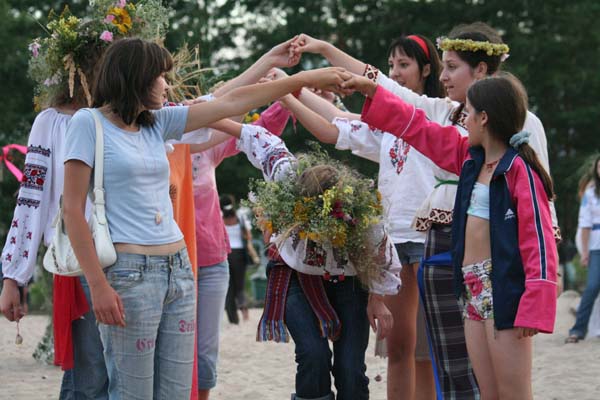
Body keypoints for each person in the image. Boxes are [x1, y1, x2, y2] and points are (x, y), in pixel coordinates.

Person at [62, 37, 348, 398]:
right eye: (160, 76)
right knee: (132, 393)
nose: (167, 85)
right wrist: (98, 285)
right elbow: (72, 210)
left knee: (178, 392)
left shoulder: (157, 123)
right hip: (128, 274)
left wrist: (299, 78)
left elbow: (231, 101)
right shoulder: (88, 124)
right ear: (137, 77)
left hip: (179, 269)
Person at [291, 22, 558, 399]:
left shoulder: (519, 158)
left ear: (483, 114)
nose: (445, 77)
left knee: (508, 388)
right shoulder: (467, 153)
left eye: (452, 67)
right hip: (468, 279)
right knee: (470, 378)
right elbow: (412, 122)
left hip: (503, 279)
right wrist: (364, 86)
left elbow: (539, 228)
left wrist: (542, 290)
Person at [345, 72, 558, 400]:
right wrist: (374, 90)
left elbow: (538, 241)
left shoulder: (520, 170)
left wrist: (535, 303)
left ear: (484, 118)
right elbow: (420, 130)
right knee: (487, 392)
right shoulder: (470, 161)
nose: (463, 120)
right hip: (471, 289)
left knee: (513, 392)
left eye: (468, 113)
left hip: (505, 290)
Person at [282, 33, 445, 399]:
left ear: (426, 70)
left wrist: (324, 49)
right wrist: (289, 89)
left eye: (404, 64)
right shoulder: (389, 126)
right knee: (398, 348)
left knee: (429, 350)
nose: (395, 72)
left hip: (430, 238)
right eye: (391, 65)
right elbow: (336, 124)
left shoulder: (438, 115)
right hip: (393, 241)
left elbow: (371, 82)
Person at [208, 114, 401, 400]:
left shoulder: (361, 213)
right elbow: (259, 138)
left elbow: (382, 255)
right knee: (313, 355)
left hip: (348, 282)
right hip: (297, 277)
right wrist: (206, 116)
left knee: (350, 368)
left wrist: (377, 299)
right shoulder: (287, 178)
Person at [566, 156, 600, 342]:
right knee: (593, 286)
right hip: (596, 246)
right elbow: (585, 225)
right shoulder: (591, 193)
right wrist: (585, 253)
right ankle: (578, 329)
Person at [221, 194, 259, 324]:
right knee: (240, 285)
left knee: (229, 286)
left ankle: (233, 318)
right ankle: (245, 313)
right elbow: (248, 236)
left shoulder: (219, 219)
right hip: (239, 255)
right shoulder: (240, 217)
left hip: (225, 254)